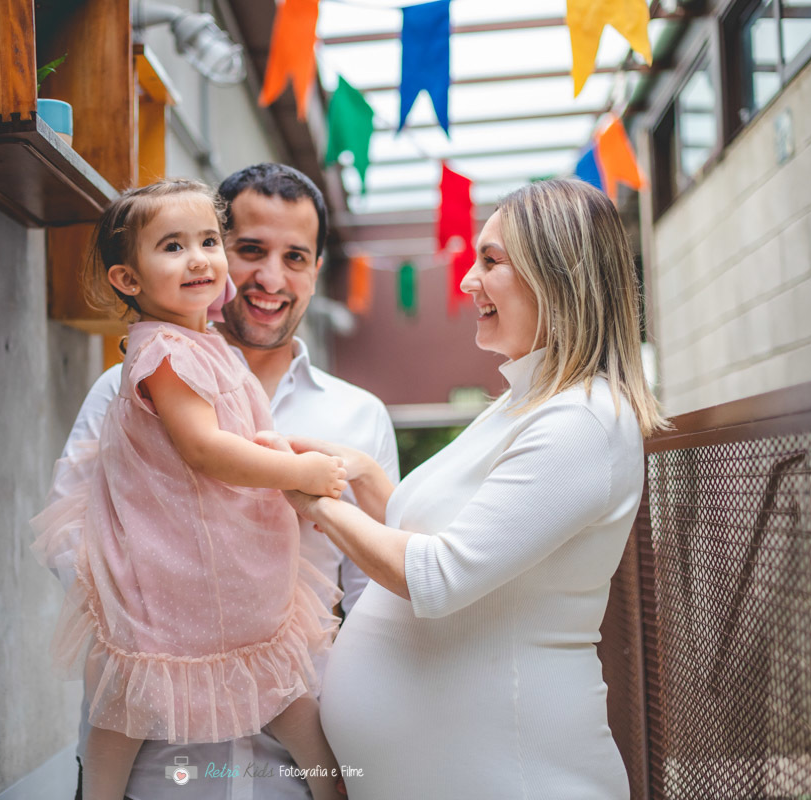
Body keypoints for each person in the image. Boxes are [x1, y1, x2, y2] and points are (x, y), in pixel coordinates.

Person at [269, 178, 668, 798]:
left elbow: (440, 574)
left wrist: (312, 498)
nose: (467, 281)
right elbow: (444, 534)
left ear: (556, 275)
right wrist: (362, 474)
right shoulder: (523, 400)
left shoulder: (583, 422)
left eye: (491, 261)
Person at [57, 163, 400, 799]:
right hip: (158, 774)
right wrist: (177, 604)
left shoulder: (359, 414)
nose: (270, 277)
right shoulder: (127, 385)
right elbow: (72, 544)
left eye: (294, 257)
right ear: (131, 276)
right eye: (250, 249)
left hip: (284, 774)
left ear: (317, 268)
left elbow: (371, 600)